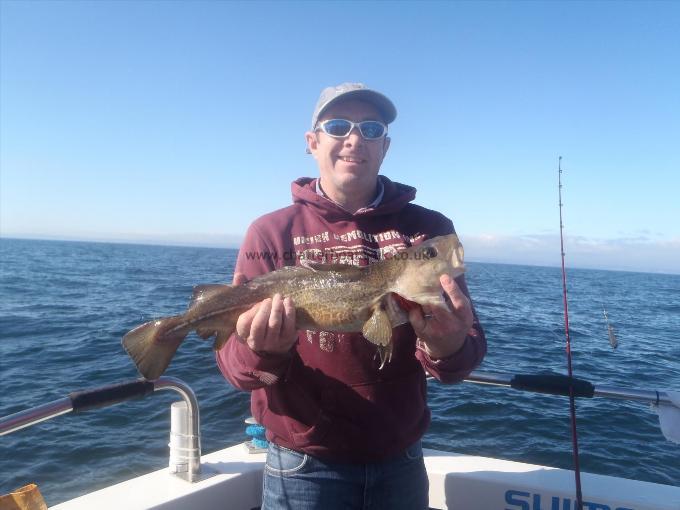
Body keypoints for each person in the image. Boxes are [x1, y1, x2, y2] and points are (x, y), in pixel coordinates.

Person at [216, 82, 486, 509]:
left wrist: (450, 345)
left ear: (386, 147)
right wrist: (261, 352)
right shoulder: (268, 233)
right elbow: (238, 373)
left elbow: (459, 364)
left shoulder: (428, 228)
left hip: (402, 461)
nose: (355, 139)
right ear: (313, 142)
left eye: (372, 129)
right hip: (304, 465)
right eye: (338, 125)